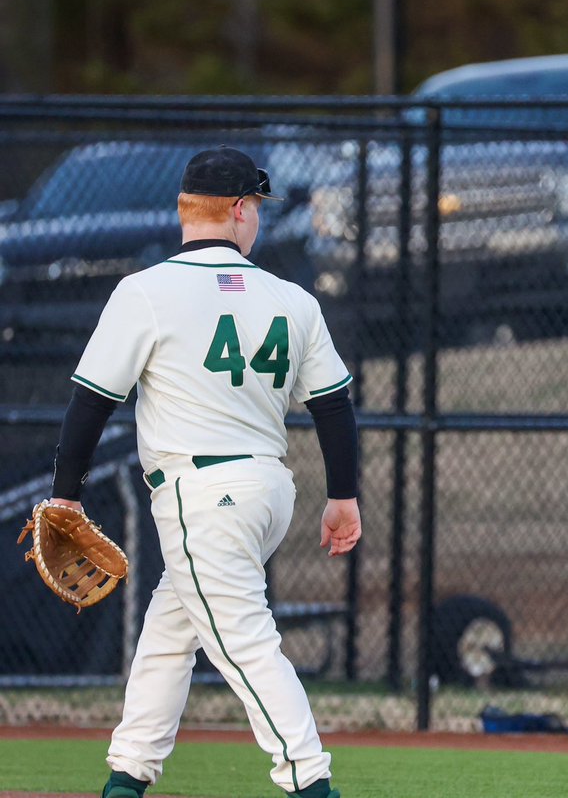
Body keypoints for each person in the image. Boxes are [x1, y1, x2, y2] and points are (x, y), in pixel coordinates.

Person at [46, 146, 361, 798]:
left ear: (185, 209)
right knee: (172, 628)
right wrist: (343, 497)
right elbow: (333, 405)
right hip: (268, 491)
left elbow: (92, 402)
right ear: (240, 210)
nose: (259, 220)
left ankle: (310, 781)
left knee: (244, 641)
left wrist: (65, 495)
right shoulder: (292, 299)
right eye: (258, 209)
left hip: (202, 495)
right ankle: (128, 773)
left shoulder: (146, 292)